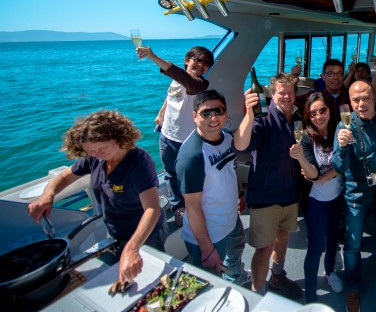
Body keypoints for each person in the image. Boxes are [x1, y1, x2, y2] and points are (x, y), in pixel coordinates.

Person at [28, 111, 166, 285]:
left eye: (102, 149)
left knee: (150, 284)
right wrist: (48, 195)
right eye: (91, 151)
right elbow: (64, 177)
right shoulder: (95, 158)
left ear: (119, 138)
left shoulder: (140, 163)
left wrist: (132, 248)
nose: (97, 155)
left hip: (146, 235)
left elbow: (152, 209)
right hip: (114, 231)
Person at [236, 72, 304, 299]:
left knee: (284, 237)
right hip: (265, 196)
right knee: (264, 248)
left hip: (290, 193)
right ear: (271, 95)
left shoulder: (296, 118)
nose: (287, 97)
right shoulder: (261, 119)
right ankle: (258, 293)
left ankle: (277, 276)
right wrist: (248, 114)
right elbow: (241, 144)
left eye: (291, 93)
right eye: (282, 93)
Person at [332, 80, 376, 312]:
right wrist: (342, 147)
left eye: (365, 98)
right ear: (349, 103)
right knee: (352, 245)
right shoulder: (344, 127)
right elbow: (339, 166)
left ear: (374, 97)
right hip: (356, 193)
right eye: (355, 100)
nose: (361, 104)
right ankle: (353, 287)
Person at [136, 45, 214, 227]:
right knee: (170, 174)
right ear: (187, 60)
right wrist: (161, 113)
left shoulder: (200, 84)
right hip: (167, 136)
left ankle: (198, 207)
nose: (201, 65)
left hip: (187, 141)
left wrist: (152, 56)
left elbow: (180, 76)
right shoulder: (176, 80)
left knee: (191, 176)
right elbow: (171, 95)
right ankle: (179, 208)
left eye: (206, 63)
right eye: (197, 60)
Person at [175, 90, 249, 283]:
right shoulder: (192, 156)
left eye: (218, 111)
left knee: (236, 251)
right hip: (209, 236)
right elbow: (192, 207)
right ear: (194, 116)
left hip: (230, 220)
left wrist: (239, 195)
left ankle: (235, 278)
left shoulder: (225, 138)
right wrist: (207, 250)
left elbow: (229, 171)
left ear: (226, 113)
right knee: (209, 283)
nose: (214, 117)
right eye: (206, 113)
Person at [288, 92, 345, 303]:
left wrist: (326, 176)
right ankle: (310, 296)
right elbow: (312, 175)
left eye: (322, 110)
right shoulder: (305, 137)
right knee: (314, 247)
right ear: (308, 116)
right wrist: (301, 158)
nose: (319, 116)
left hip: (337, 197)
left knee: (332, 239)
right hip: (315, 201)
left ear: (330, 109)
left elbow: (344, 164)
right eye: (313, 113)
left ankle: (330, 271)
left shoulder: (340, 131)